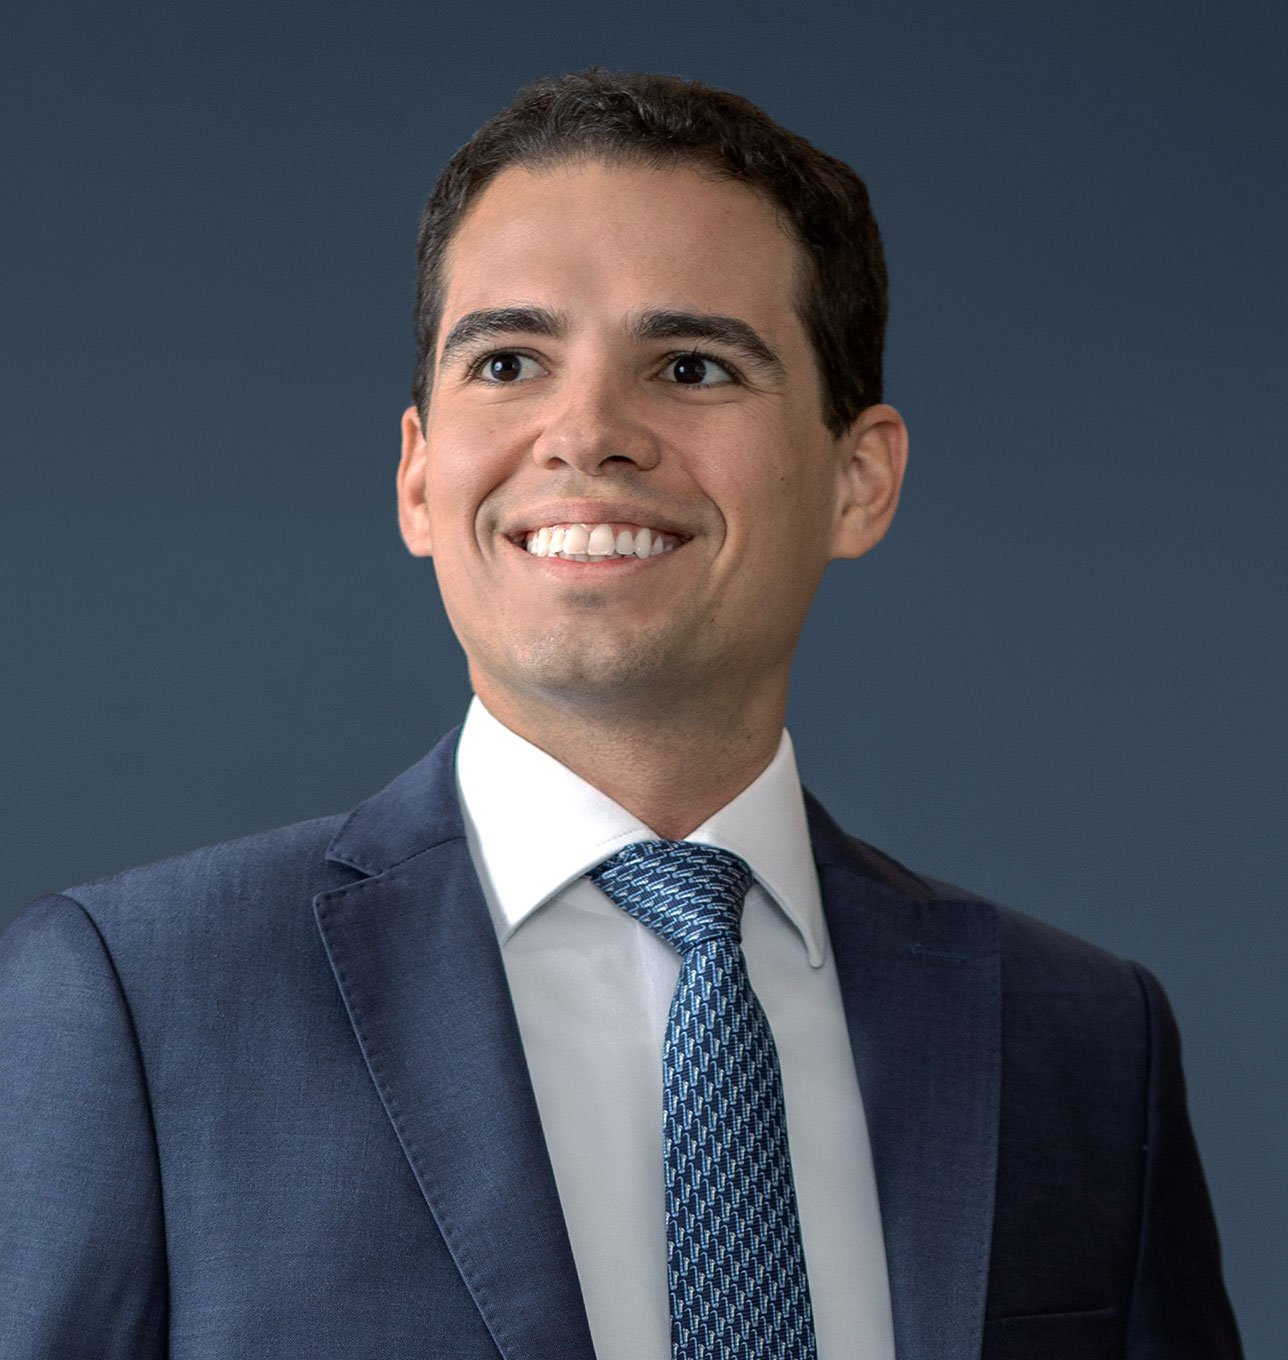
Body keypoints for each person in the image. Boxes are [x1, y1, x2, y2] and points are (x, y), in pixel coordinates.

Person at [0, 69, 1241, 1360]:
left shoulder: (1084, 1046)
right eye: (509, 362)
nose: (586, 432)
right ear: (419, 479)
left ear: (859, 479)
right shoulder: (135, 1009)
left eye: (692, 366)